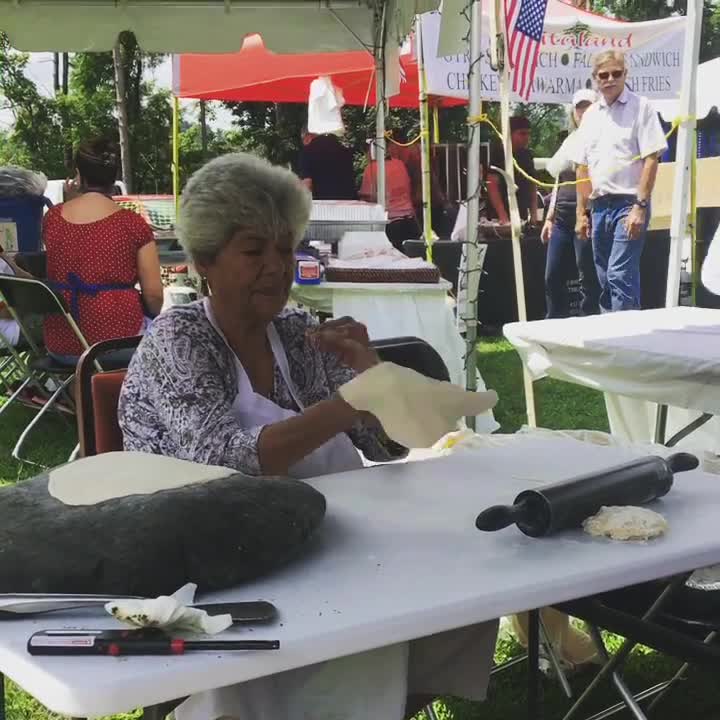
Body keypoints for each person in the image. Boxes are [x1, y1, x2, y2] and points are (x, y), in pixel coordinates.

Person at [118, 152, 497, 720]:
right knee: (364, 623)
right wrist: (350, 403)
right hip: (208, 561)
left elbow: (386, 447)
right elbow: (233, 461)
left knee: (471, 589)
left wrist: (370, 371)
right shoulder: (181, 339)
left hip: (323, 535)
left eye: (284, 247)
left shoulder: (294, 330)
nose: (275, 267)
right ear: (203, 261)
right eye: (253, 251)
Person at [42, 137, 164, 364]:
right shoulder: (132, 223)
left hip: (61, 343)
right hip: (116, 342)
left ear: (79, 174)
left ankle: (75, 397)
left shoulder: (53, 218)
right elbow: (154, 295)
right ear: (113, 175)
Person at [573, 51, 668, 312]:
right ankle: (613, 336)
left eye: (616, 73)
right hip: (599, 206)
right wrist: (582, 213)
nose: (610, 79)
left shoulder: (642, 107)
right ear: (595, 79)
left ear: (626, 74)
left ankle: (628, 339)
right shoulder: (590, 115)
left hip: (629, 203)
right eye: (604, 75)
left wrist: (640, 205)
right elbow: (582, 166)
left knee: (619, 274)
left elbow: (652, 159)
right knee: (605, 278)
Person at [541, 89, 601, 318]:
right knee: (552, 276)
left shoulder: (599, 139)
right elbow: (557, 178)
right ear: (573, 112)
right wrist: (549, 217)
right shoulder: (570, 140)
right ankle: (553, 322)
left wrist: (583, 214)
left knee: (587, 275)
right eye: (579, 107)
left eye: (588, 106)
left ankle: (590, 322)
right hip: (561, 218)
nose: (583, 111)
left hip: (587, 214)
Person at [359, 145, 420, 251]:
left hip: (390, 222)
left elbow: (368, 196)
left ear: (371, 152)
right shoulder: (399, 163)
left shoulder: (372, 168)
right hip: (410, 220)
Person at [486, 115, 538, 224]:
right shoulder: (498, 153)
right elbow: (492, 185)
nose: (526, 137)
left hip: (521, 215)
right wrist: (503, 216)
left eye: (528, 134)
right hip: (498, 217)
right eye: (522, 133)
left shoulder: (527, 155)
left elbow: (533, 185)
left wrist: (534, 214)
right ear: (510, 134)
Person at [298, 126, 357, 201]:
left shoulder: (307, 152)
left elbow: (307, 184)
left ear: (307, 137)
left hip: (324, 205)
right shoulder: (343, 150)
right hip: (350, 203)